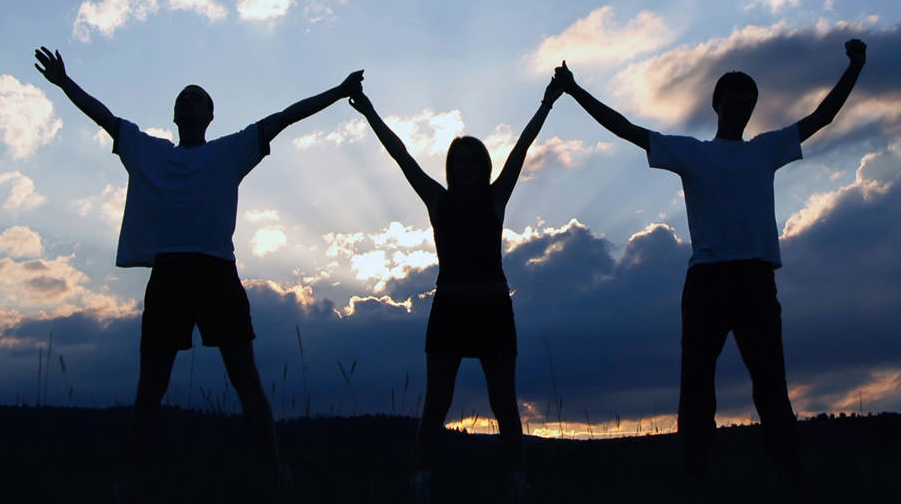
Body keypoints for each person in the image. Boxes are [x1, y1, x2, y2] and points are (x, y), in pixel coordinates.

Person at [33, 46, 363, 502]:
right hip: (169, 274)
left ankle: (274, 475)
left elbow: (288, 116)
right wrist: (65, 83)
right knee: (151, 386)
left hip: (216, 274)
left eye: (196, 98)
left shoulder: (231, 151)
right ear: (174, 114)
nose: (187, 102)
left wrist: (340, 91)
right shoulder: (146, 151)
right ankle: (132, 481)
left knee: (245, 379)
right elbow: (103, 116)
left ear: (210, 115)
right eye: (182, 98)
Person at [554, 39, 866, 502]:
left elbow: (823, 117)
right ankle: (696, 474)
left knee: (770, 384)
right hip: (708, 280)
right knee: (697, 385)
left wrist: (854, 67)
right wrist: (575, 91)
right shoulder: (693, 153)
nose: (742, 106)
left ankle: (789, 472)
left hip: (756, 278)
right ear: (717, 103)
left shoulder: (765, 149)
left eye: (749, 100)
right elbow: (627, 129)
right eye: (735, 99)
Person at [347, 75, 563, 503]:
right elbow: (401, 155)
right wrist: (368, 110)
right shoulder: (437, 200)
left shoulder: (496, 197)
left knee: (504, 403)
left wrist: (548, 102)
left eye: (472, 160)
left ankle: (518, 483)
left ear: (483, 166)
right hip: (449, 310)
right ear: (451, 168)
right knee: (436, 403)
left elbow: (522, 147)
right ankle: (421, 482)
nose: (465, 166)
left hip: (493, 310)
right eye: (458, 160)